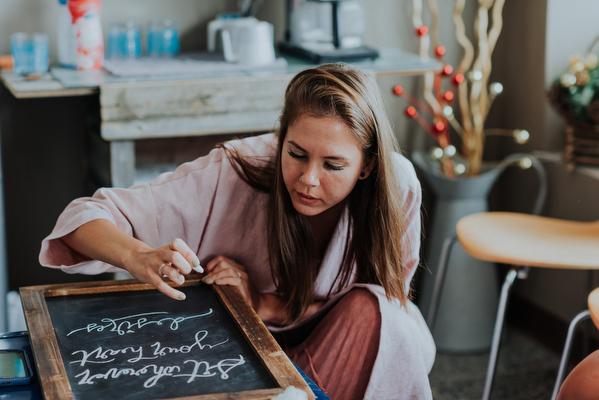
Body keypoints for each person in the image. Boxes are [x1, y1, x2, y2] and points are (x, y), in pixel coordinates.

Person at [39, 63, 435, 399]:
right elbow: (83, 217)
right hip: (233, 353)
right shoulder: (233, 170)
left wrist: (260, 303)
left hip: (333, 349)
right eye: (296, 154)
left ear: (366, 165)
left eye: (333, 165)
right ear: (281, 135)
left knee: (384, 315)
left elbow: (384, 300)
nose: (308, 179)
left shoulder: (396, 188)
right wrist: (137, 256)